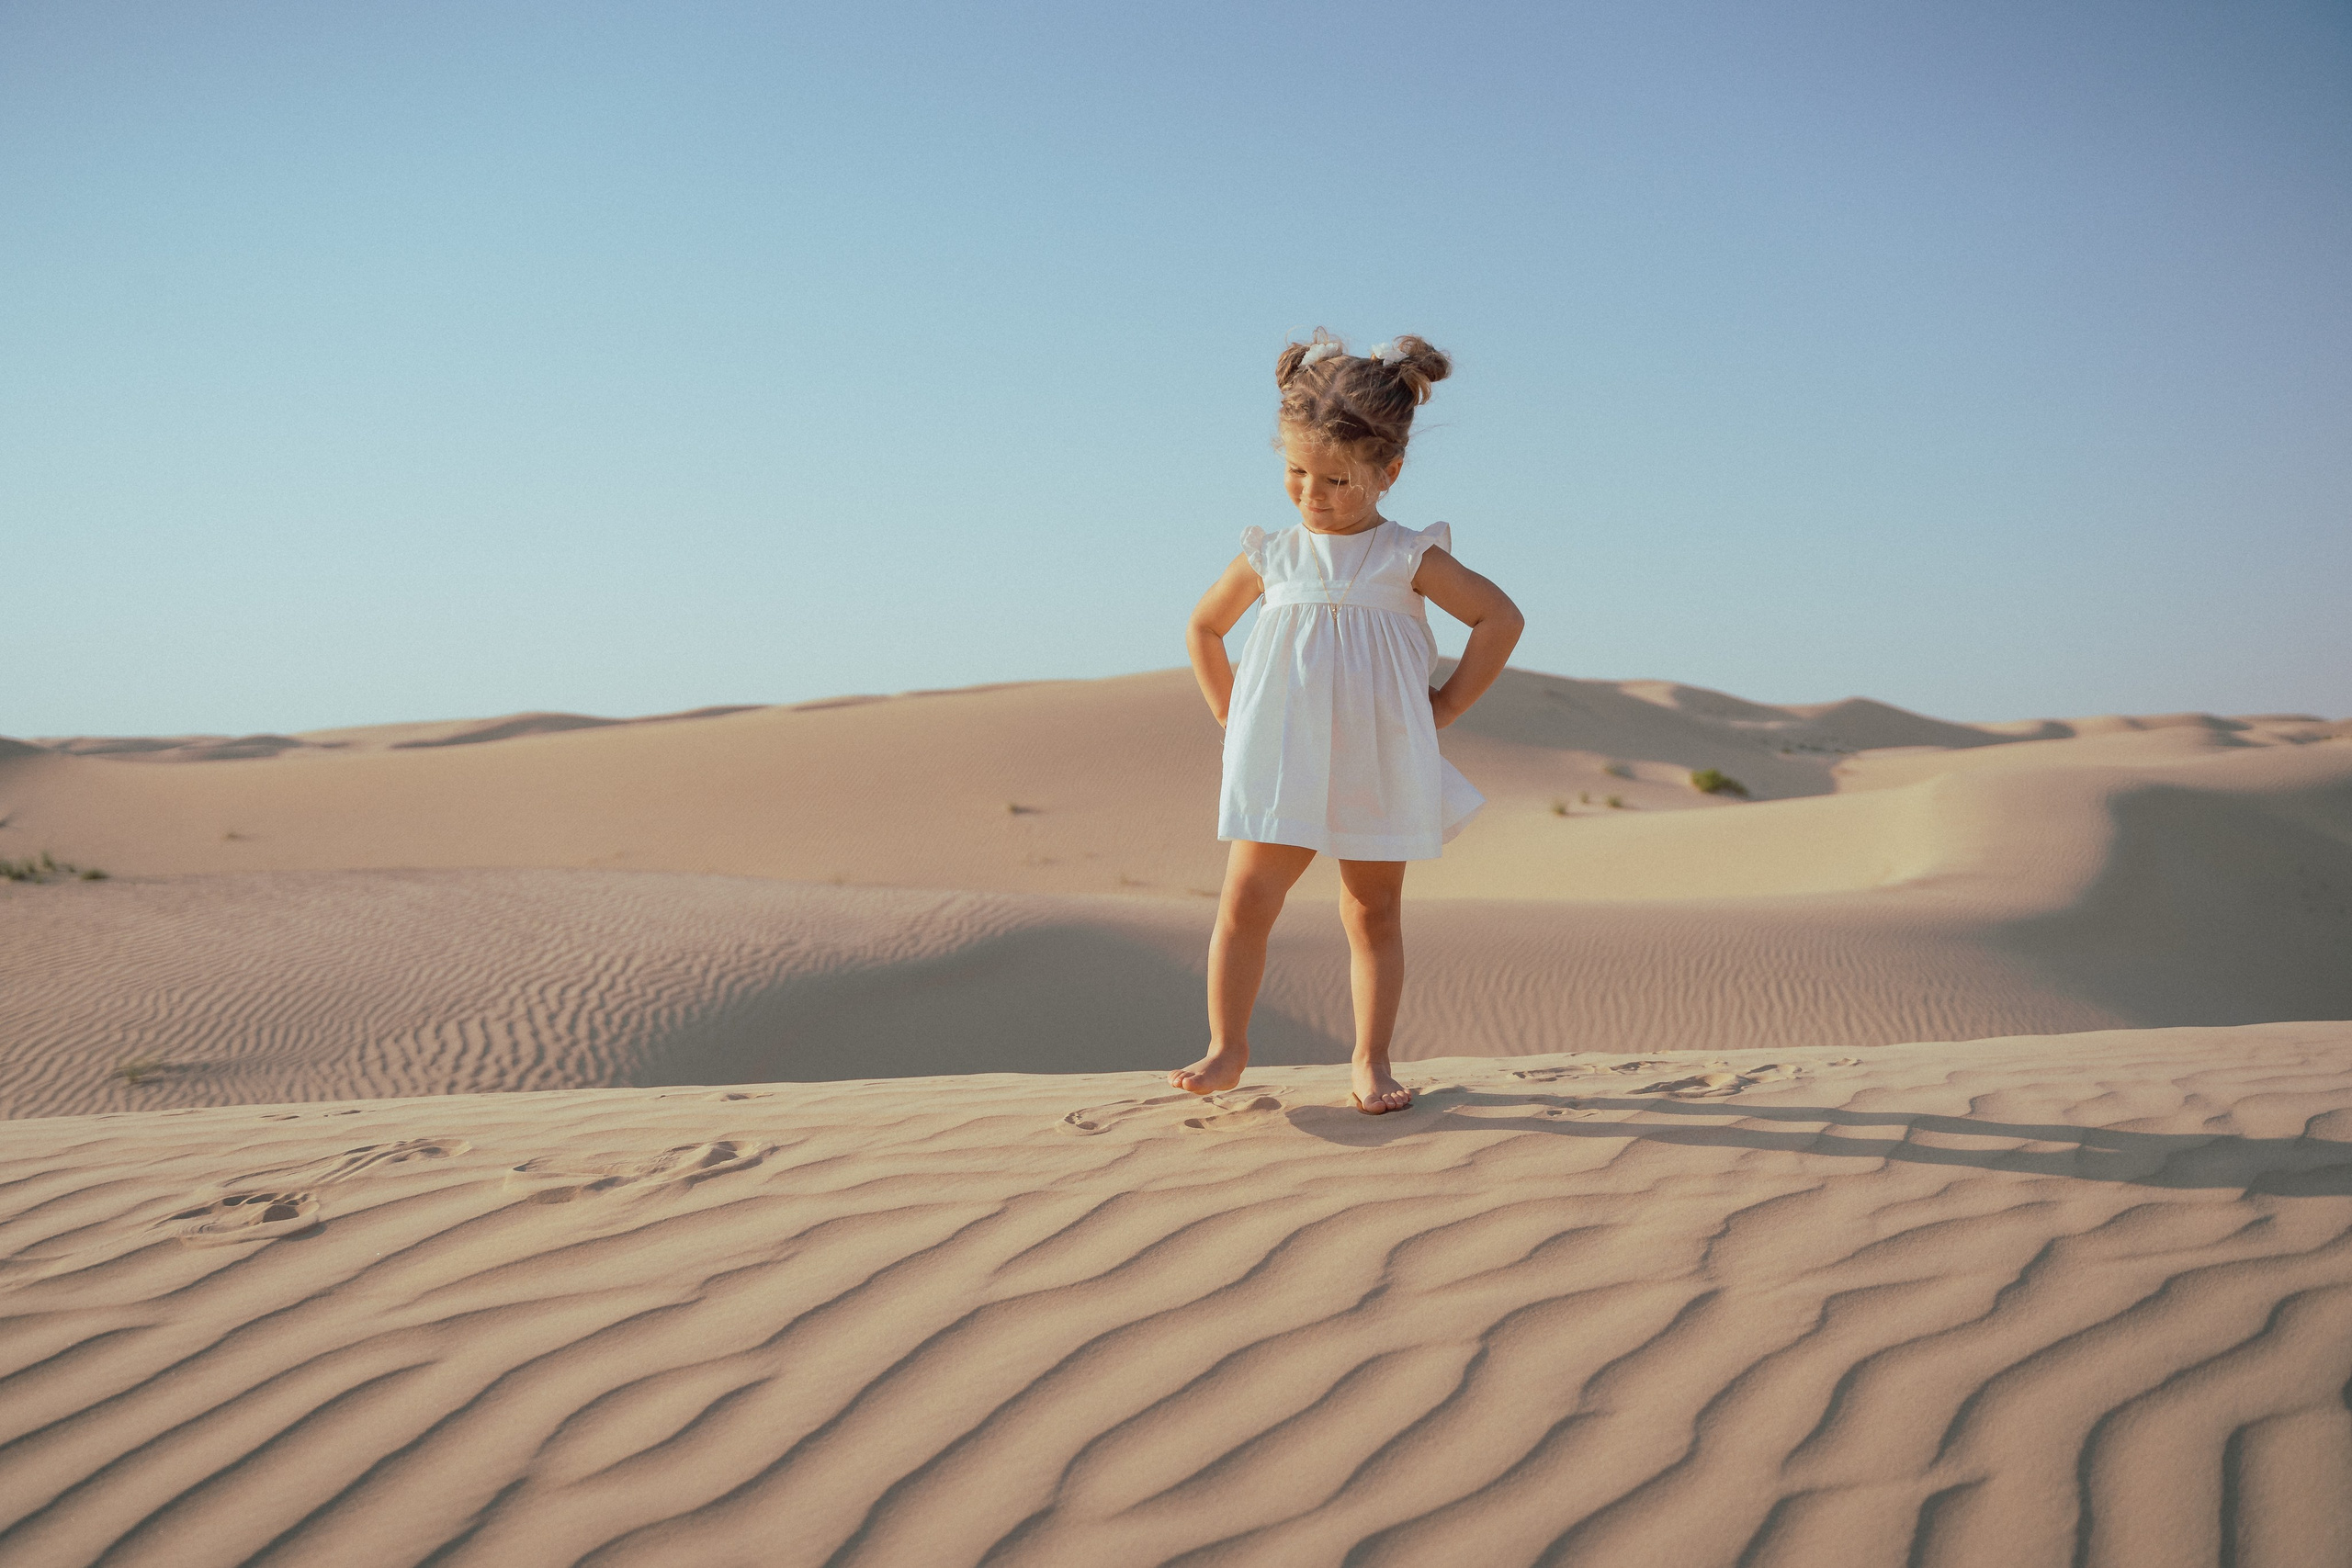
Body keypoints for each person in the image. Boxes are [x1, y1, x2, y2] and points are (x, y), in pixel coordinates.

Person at [1170, 331, 1524, 1114]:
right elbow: (1203, 628)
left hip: (1377, 755)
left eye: (1335, 478)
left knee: (1371, 910)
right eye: (1296, 472)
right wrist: (1233, 712)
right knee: (1246, 902)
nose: (1311, 494)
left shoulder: (1406, 557)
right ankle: (1227, 1046)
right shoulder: (1274, 555)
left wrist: (1448, 706)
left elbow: (1499, 618)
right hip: (1281, 753)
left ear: (1389, 472)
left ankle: (1371, 1059)